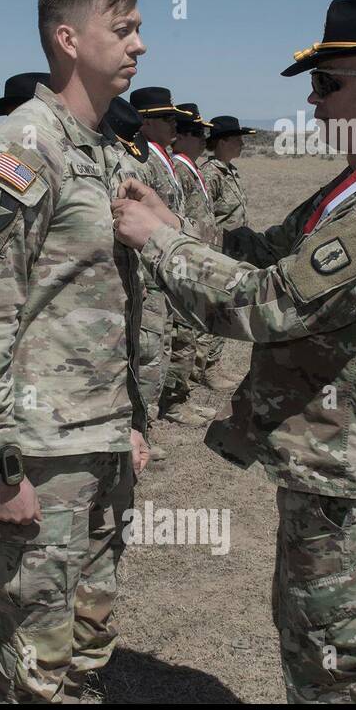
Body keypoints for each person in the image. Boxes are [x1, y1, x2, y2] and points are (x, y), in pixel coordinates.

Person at [111, 0, 356, 703]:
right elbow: (257, 252)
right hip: (333, 474)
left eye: (329, 84)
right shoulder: (354, 191)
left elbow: (263, 301)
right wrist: (171, 217)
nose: (313, 99)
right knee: (315, 652)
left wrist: (157, 240)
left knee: (343, 677)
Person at [0, 0, 150, 703]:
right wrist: (1, 462)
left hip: (100, 437)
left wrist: (131, 420)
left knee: (91, 641)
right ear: (68, 39)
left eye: (137, 29)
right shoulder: (24, 151)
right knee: (37, 657)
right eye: (122, 29)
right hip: (40, 449)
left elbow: (115, 305)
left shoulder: (105, 151)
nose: (140, 45)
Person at [128, 87, 192, 456]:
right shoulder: (144, 160)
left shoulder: (160, 158)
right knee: (148, 347)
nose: (175, 126)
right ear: (147, 122)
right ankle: (140, 430)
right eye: (168, 119)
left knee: (160, 342)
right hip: (148, 269)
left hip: (163, 266)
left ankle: (145, 426)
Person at [159, 103, 217, 425]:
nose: (202, 140)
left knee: (187, 331)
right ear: (180, 137)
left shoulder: (181, 166)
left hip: (191, 256)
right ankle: (172, 401)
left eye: (204, 134)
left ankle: (180, 396)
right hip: (178, 258)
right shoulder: (178, 167)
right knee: (179, 334)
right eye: (196, 134)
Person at [195, 115, 259, 391]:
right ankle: (203, 369)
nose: (242, 144)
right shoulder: (211, 175)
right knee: (214, 308)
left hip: (233, 251)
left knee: (227, 306)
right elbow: (203, 215)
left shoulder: (229, 171)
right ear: (222, 142)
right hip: (218, 250)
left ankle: (213, 363)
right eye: (237, 139)